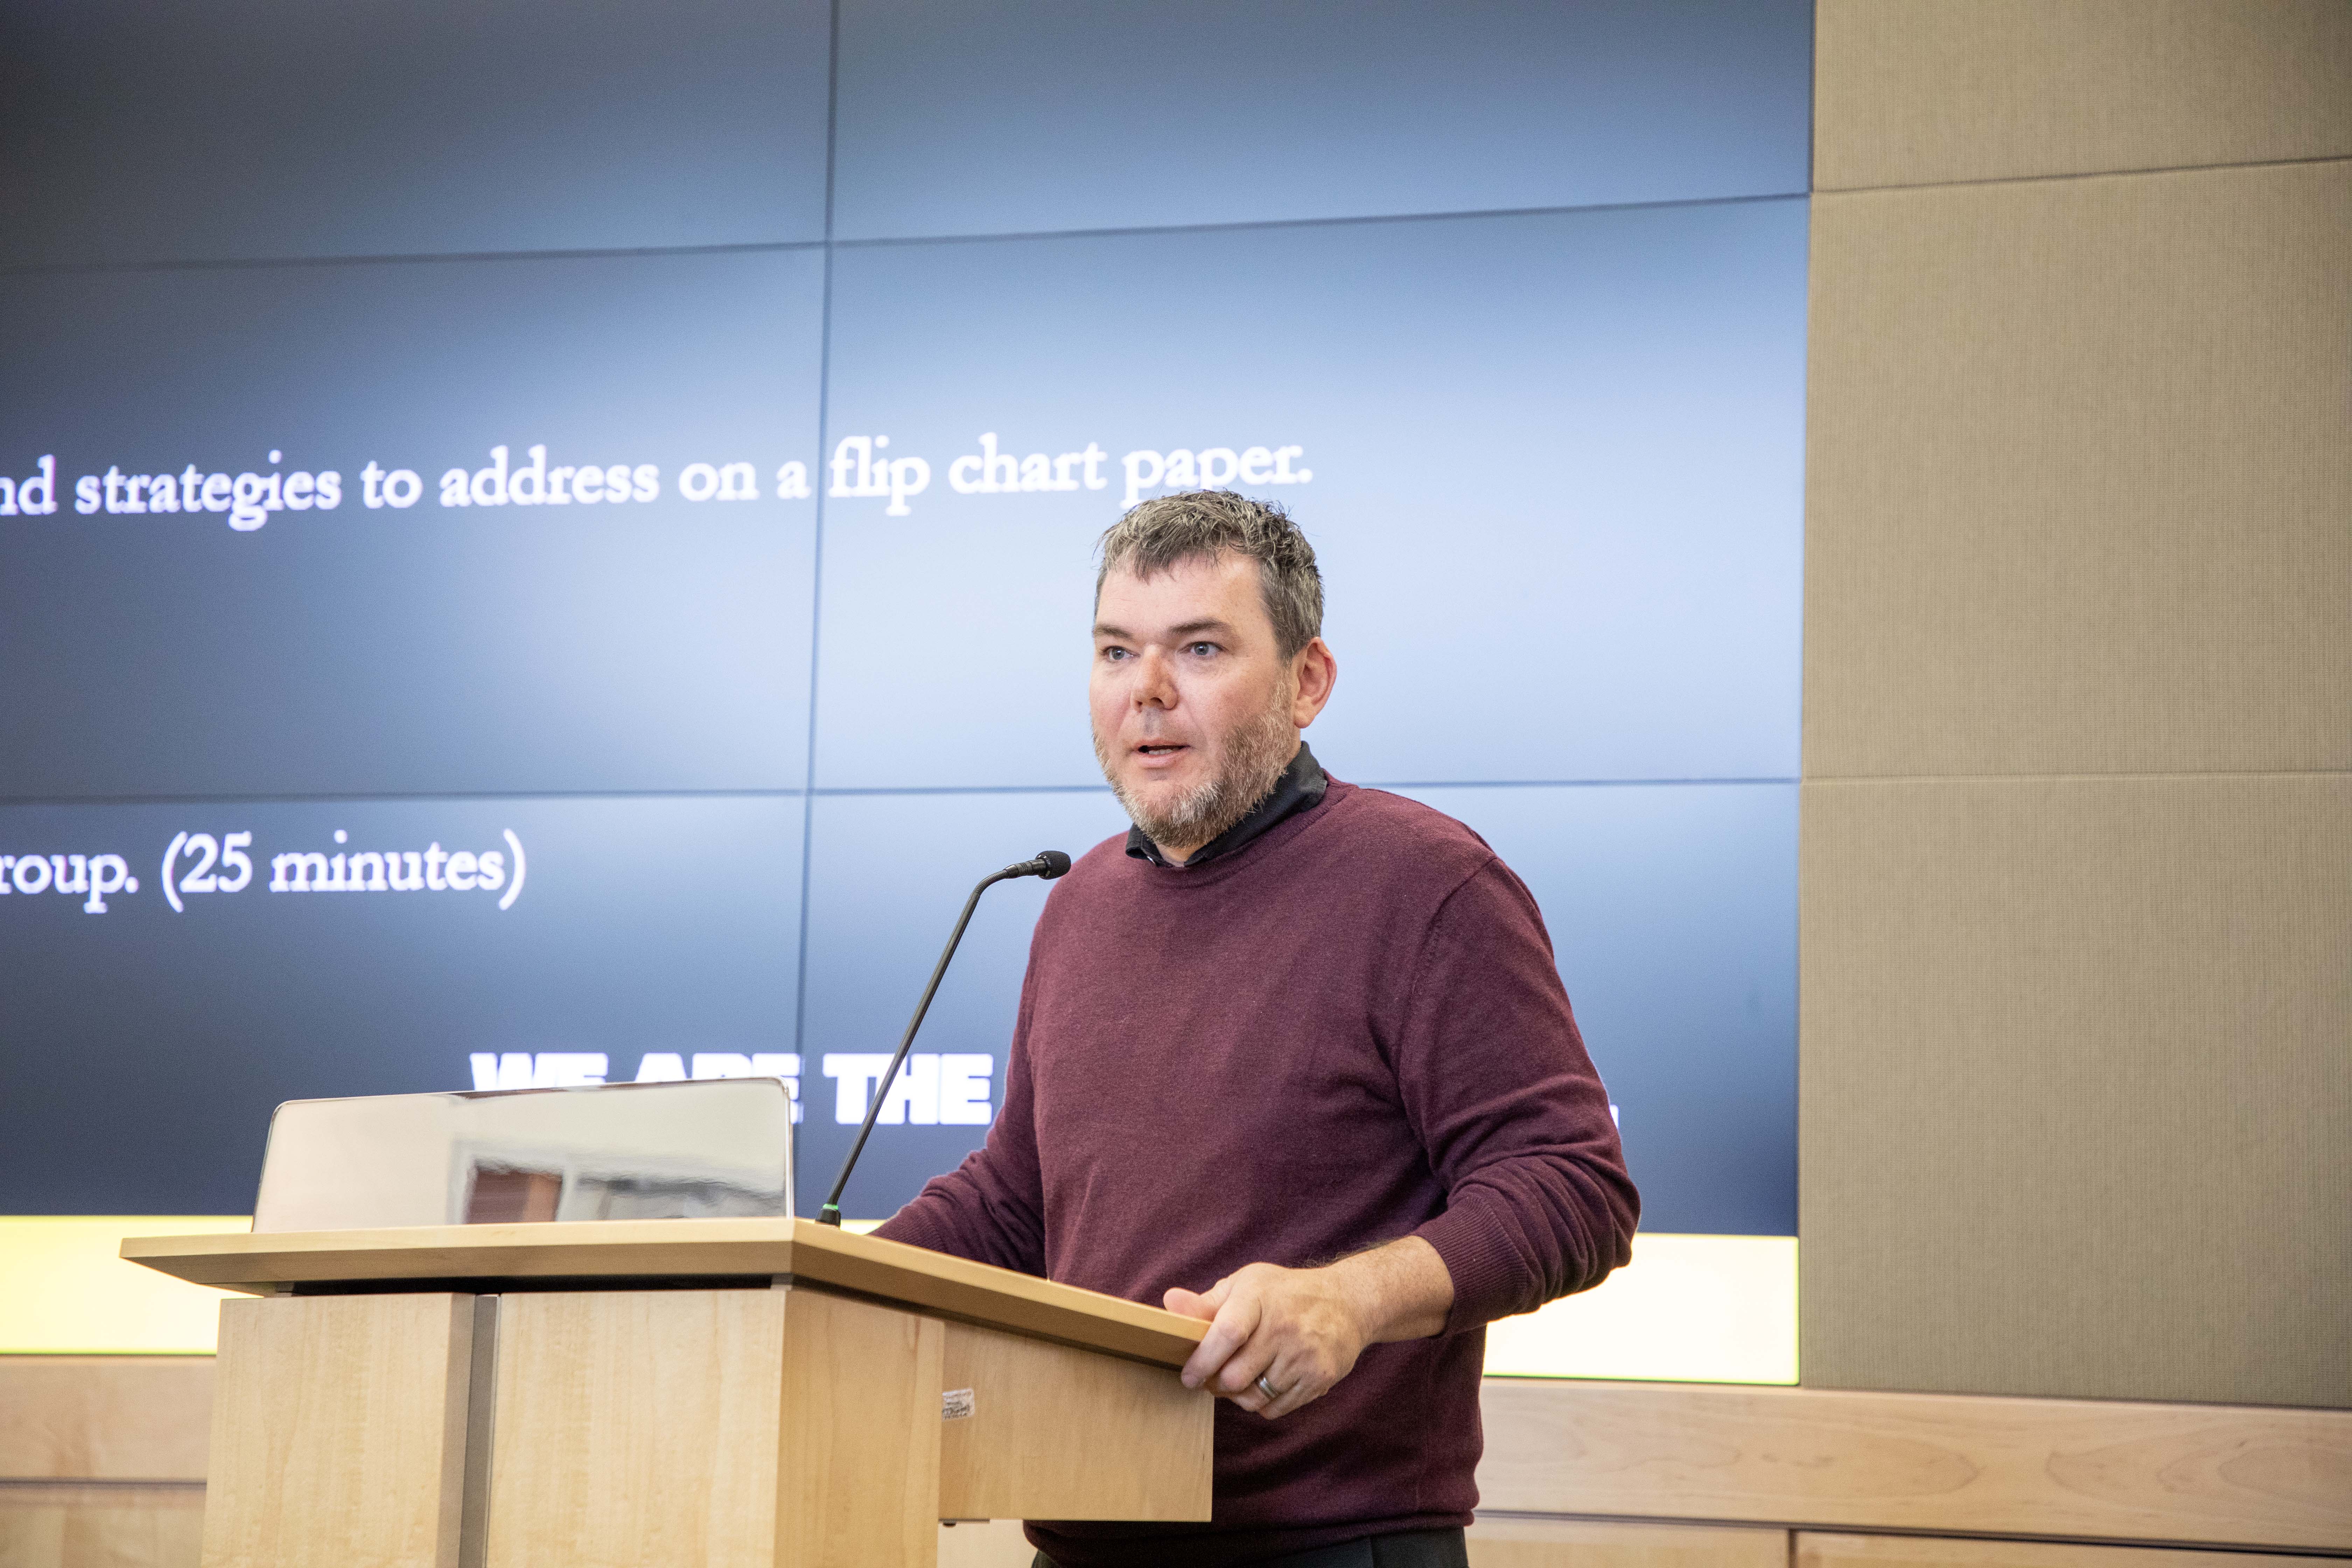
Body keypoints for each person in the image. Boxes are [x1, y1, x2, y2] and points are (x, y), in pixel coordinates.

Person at [877, 490, 1638, 1568]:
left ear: (1307, 682)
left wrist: (1352, 1297)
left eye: (1198, 648)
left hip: (1330, 1544)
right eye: (1114, 652)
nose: (1146, 693)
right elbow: (1017, 1201)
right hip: (1080, 1528)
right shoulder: (1077, 901)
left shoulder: (1428, 886)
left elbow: (1573, 1186)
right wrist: (821, 1287)